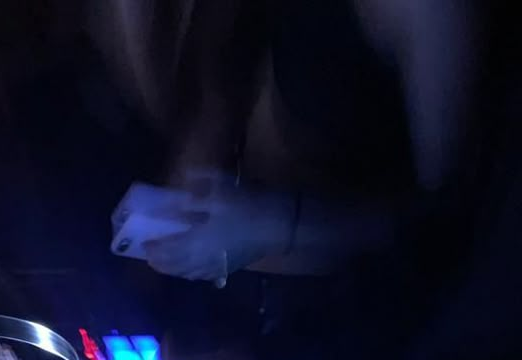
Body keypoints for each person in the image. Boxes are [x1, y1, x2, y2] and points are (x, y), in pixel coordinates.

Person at [95, 0, 481, 280]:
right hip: (271, 339)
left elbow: (457, 229)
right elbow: (207, 128)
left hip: (384, 348)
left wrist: (279, 226)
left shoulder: (424, 10)